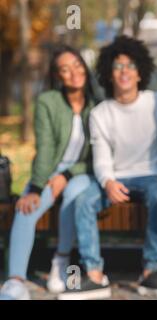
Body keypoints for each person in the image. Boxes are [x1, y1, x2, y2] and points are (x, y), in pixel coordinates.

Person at [57, 36, 157, 300]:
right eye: (118, 66)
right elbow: (102, 158)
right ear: (108, 74)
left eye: (131, 65)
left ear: (140, 72)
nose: (124, 71)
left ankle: (150, 272)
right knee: (83, 201)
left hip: (152, 176)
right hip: (116, 177)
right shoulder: (101, 113)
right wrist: (108, 182)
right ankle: (94, 275)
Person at [0, 46, 97, 300]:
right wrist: (35, 188)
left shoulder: (98, 103)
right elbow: (44, 148)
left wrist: (67, 175)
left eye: (76, 65)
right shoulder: (48, 102)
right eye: (65, 69)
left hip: (84, 171)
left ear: (84, 67)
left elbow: (95, 155)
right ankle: (15, 280)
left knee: (74, 193)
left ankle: (61, 261)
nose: (73, 72)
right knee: (26, 208)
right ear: (58, 76)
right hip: (49, 170)